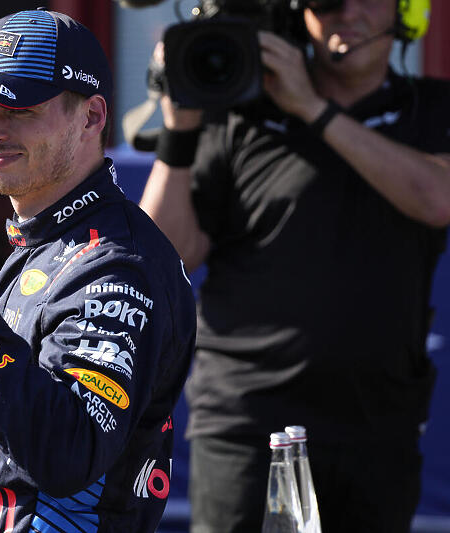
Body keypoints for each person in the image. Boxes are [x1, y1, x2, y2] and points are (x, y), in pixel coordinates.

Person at [0, 8, 196, 533]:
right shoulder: (46, 244)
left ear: (92, 116)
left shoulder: (117, 265)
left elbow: (68, 453)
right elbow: (20, 443)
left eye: (19, 109)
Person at [139, 0, 450, 532]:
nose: (347, 12)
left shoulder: (431, 110)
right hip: (246, 427)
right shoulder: (240, 114)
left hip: (377, 429)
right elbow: (162, 257)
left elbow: (437, 196)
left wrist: (313, 109)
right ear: (300, 13)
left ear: (406, 13)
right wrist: (180, 130)